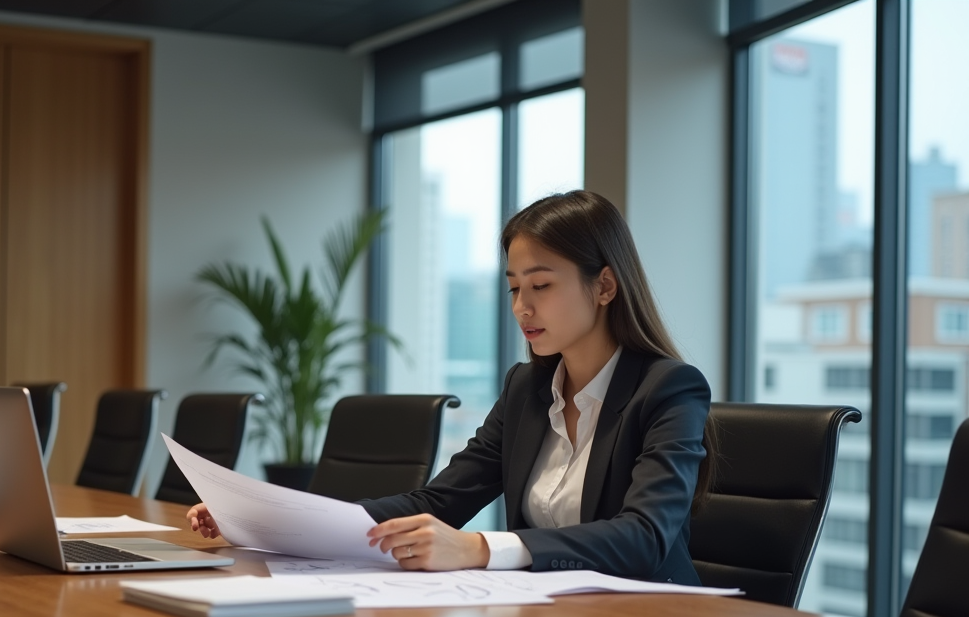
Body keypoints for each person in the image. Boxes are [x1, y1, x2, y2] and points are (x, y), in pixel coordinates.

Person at [188, 190, 714, 583]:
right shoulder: (527, 388)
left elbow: (645, 537)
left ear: (604, 285)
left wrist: (481, 548)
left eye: (541, 285)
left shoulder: (668, 389)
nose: (521, 308)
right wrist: (271, 517)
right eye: (513, 288)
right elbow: (438, 501)